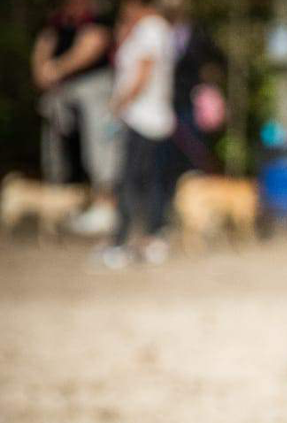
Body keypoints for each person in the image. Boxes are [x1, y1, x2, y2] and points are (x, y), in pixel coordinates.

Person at [31, 0, 120, 236]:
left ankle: (104, 206)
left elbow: (93, 44)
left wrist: (56, 69)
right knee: (59, 154)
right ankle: (63, 208)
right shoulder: (57, 22)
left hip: (93, 92)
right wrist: (42, 71)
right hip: (60, 96)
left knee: (98, 151)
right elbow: (44, 45)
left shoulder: (97, 20)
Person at [100, 0, 176, 268]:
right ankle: (149, 238)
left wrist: (119, 103)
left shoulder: (150, 29)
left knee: (131, 181)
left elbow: (143, 73)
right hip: (151, 118)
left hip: (142, 118)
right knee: (148, 181)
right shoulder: (154, 28)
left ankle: (122, 242)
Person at [162, 0, 225, 186]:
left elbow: (218, 60)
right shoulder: (159, 31)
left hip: (190, 101)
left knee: (192, 150)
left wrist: (209, 75)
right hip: (163, 102)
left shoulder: (198, 33)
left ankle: (193, 188)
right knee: (166, 153)